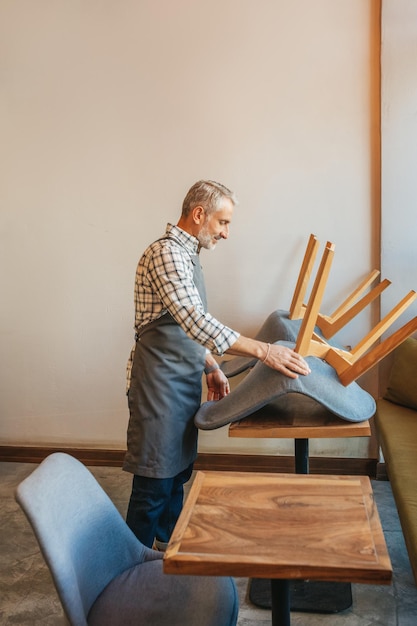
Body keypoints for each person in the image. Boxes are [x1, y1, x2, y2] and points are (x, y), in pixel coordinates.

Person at [124, 180, 310, 550]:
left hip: (182, 380)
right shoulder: (167, 255)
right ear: (198, 215)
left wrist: (209, 364)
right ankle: (128, 567)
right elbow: (194, 319)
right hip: (158, 384)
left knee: (177, 474)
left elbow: (182, 326)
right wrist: (266, 351)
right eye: (223, 223)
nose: (226, 233)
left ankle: (167, 551)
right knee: (154, 482)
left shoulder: (187, 254)